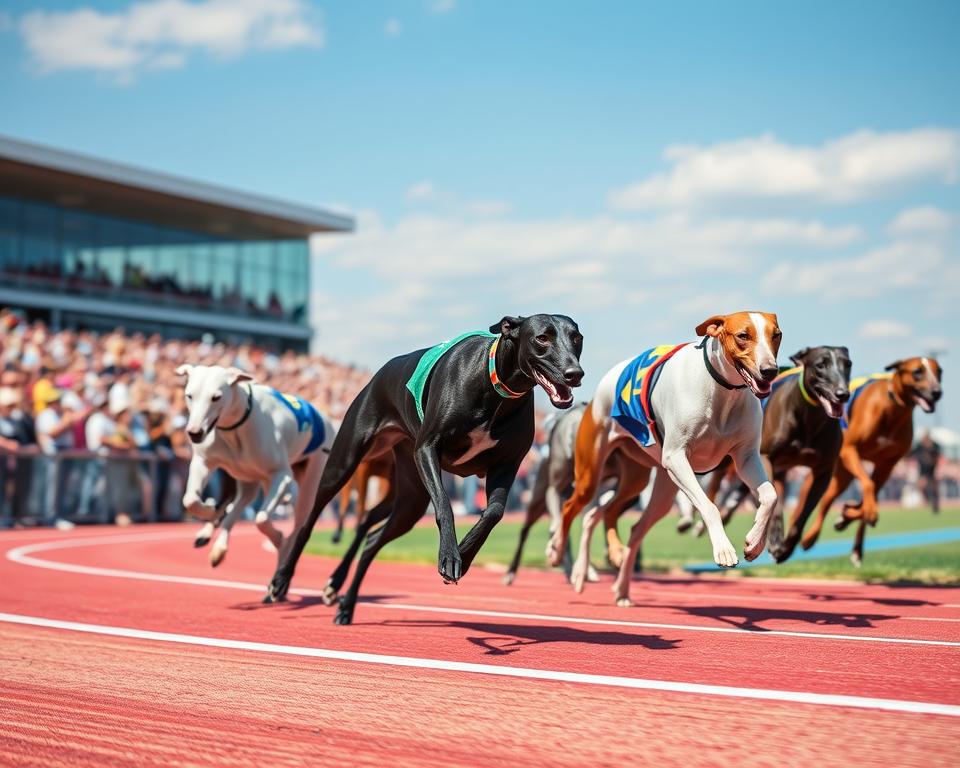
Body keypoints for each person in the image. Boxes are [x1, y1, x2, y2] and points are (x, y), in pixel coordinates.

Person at [33, 381, 86, 529]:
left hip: (64, 454)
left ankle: (58, 516)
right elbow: (52, 433)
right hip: (53, 456)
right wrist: (67, 422)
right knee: (52, 488)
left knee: (62, 488)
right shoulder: (46, 415)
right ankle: (50, 518)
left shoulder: (60, 414)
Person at [0, 386, 38, 527]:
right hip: (2, 462)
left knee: (16, 491)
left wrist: (23, 449)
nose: (10, 409)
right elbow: (10, 444)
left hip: (14, 463)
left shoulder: (17, 421)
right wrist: (8, 445)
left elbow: (21, 443)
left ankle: (14, 518)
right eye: (8, 406)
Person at [911, 431, 942, 514]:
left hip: (932, 470)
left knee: (934, 488)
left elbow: (938, 455)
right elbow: (910, 454)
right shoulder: (920, 447)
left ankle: (935, 505)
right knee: (922, 486)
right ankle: (928, 500)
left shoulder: (934, 446)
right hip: (923, 471)